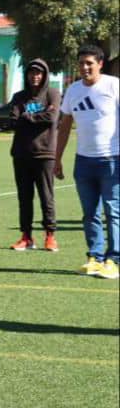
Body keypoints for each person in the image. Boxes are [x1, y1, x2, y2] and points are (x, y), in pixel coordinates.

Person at [55, 44, 119, 280]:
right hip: (83, 161)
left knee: (113, 211)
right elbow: (64, 127)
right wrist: (57, 158)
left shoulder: (113, 85)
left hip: (113, 159)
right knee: (89, 212)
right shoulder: (72, 90)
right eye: (81, 63)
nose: (84, 67)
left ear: (100, 64)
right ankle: (95, 257)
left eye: (89, 63)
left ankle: (114, 260)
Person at [8, 59, 61, 252]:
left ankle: (50, 235)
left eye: (39, 73)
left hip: (45, 154)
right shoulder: (19, 96)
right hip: (21, 154)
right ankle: (26, 236)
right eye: (31, 73)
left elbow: (52, 118)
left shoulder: (53, 94)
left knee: (46, 196)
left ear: (45, 75)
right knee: (24, 197)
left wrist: (27, 117)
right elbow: (13, 120)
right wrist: (37, 118)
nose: (35, 76)